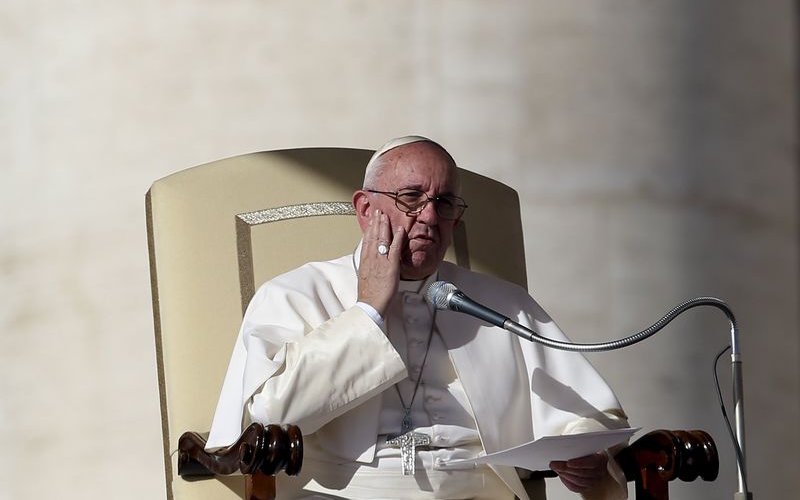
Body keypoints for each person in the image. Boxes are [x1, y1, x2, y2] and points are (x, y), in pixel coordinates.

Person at [207, 136, 629, 499]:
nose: (428, 216)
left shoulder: (502, 303)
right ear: (366, 209)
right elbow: (267, 416)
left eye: (444, 203)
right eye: (411, 197)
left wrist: (587, 456)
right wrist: (368, 311)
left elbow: (586, 413)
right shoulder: (296, 293)